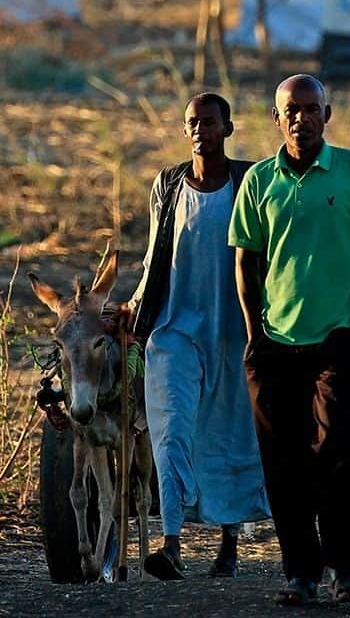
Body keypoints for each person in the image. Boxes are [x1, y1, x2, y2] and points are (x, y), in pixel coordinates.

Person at [229, 75, 350, 607]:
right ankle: (298, 573)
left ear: (328, 113)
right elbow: (245, 261)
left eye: (310, 108)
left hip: (339, 339)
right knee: (284, 463)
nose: (300, 118)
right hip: (275, 343)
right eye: (290, 110)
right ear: (276, 119)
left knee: (341, 457)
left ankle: (344, 571)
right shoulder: (258, 181)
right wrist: (255, 334)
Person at [129, 92, 269, 579]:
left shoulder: (249, 181)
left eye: (209, 122)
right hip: (173, 330)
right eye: (192, 122)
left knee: (229, 433)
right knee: (171, 432)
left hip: (235, 330)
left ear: (228, 128)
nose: (199, 130)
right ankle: (171, 543)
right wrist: (132, 307)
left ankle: (229, 545)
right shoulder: (167, 185)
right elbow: (154, 257)